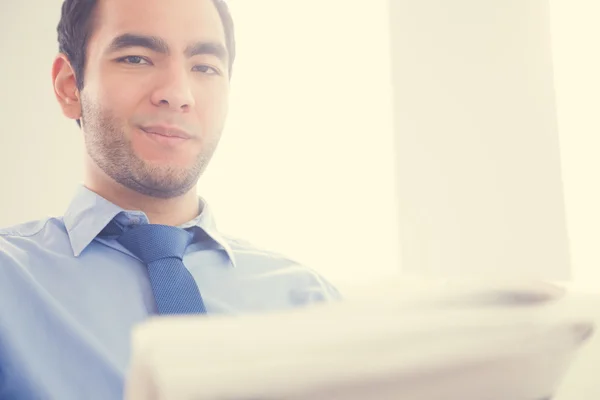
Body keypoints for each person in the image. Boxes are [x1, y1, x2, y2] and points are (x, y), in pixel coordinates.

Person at [0, 0, 341, 398]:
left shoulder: (310, 302)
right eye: (137, 59)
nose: (178, 94)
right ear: (68, 86)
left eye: (204, 67)